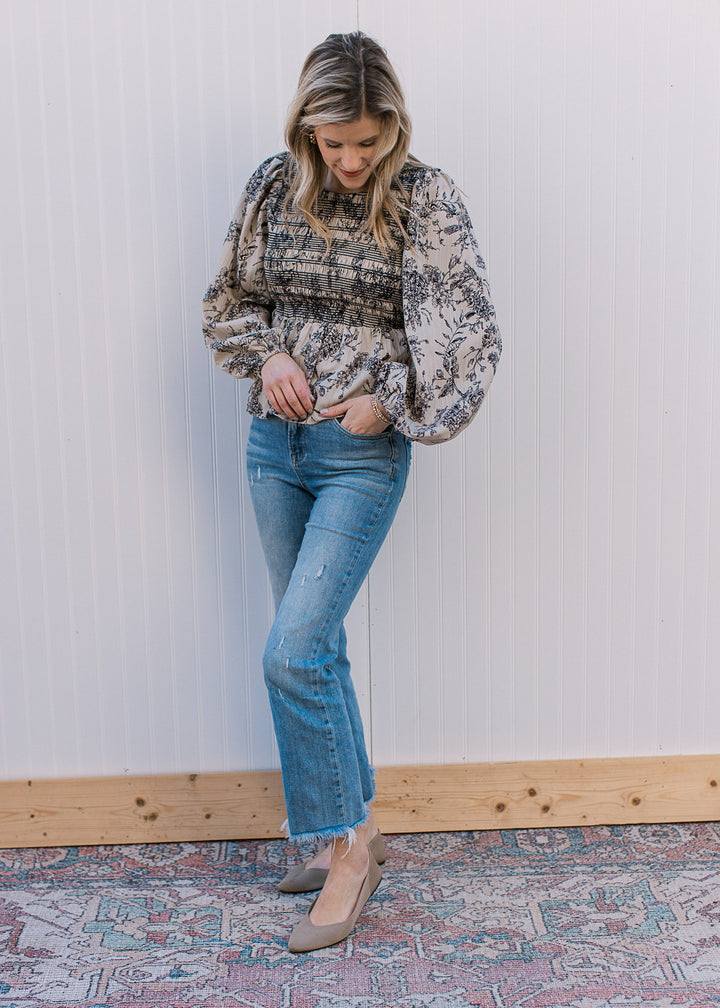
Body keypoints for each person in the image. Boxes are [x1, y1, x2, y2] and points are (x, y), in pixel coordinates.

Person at [202, 30, 501, 953]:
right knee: (315, 647)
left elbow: (469, 339)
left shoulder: (424, 199)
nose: (351, 160)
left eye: (367, 141)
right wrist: (269, 356)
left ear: (392, 128)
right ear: (306, 128)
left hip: (358, 456)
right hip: (273, 445)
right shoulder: (271, 187)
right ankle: (358, 834)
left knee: (291, 652)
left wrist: (390, 402)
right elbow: (229, 304)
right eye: (334, 143)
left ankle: (340, 856)